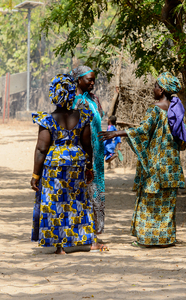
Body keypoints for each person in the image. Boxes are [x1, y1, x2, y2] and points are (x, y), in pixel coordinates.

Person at [98, 72, 186, 248]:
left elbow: (142, 131)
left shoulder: (156, 109)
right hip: (171, 166)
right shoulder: (175, 109)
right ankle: (165, 238)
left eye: (155, 86)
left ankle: (148, 238)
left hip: (155, 165)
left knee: (149, 202)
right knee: (167, 203)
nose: (153, 89)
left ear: (161, 89)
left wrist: (116, 133)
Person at [30, 74, 107, 254]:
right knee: (78, 201)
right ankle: (88, 241)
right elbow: (87, 144)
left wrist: (35, 175)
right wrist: (88, 168)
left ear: (54, 95)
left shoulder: (48, 119)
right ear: (72, 94)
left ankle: (60, 247)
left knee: (55, 203)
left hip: (54, 165)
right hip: (76, 163)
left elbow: (41, 148)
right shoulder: (82, 116)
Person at [70, 66, 106, 235]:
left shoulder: (94, 99)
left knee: (96, 191)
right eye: (89, 80)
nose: (92, 83)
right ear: (78, 80)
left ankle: (94, 232)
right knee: (81, 191)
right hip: (81, 152)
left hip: (96, 153)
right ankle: (81, 233)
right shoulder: (71, 101)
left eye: (93, 79)